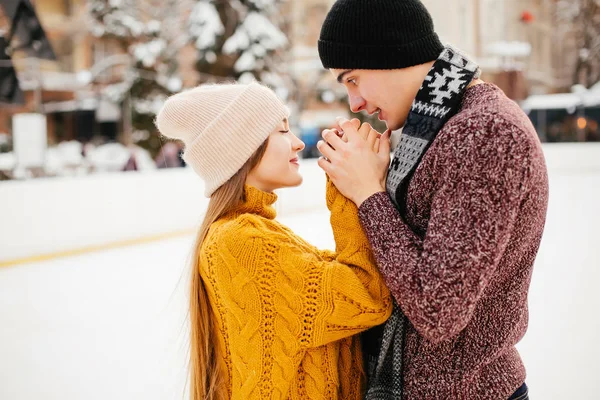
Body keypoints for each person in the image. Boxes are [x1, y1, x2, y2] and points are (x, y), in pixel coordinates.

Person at [315, 0, 550, 399]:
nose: (353, 102)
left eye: (352, 79)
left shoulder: (484, 133)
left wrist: (369, 194)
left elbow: (437, 309)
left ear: (388, 53)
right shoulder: (437, 128)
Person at [154, 82, 392, 400]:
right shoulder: (241, 241)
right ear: (241, 146)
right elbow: (365, 295)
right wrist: (352, 189)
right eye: (281, 131)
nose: (296, 143)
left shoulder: (252, 234)